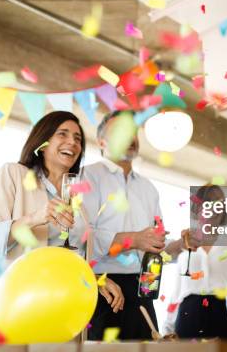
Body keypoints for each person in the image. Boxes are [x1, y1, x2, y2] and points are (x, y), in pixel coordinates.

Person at [0, 111, 123, 342]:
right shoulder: (13, 175)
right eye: (63, 134)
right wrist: (34, 218)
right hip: (14, 312)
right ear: (43, 140)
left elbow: (67, 261)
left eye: (78, 139)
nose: (72, 142)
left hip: (61, 322)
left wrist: (95, 279)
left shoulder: (79, 205)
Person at [82, 110, 167, 341]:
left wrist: (180, 245)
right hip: (101, 287)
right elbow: (82, 237)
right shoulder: (88, 176)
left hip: (142, 290)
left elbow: (156, 243)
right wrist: (134, 239)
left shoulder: (149, 188)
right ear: (101, 142)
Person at [163, 185, 227, 339]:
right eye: (207, 202)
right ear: (197, 208)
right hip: (188, 317)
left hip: (225, 315)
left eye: (218, 203)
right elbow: (177, 292)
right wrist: (167, 329)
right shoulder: (183, 247)